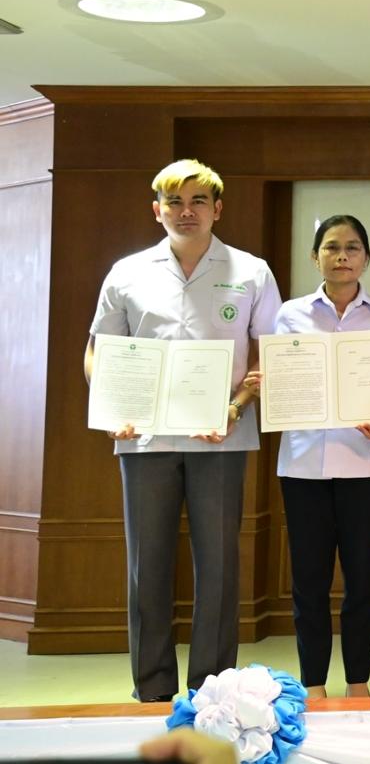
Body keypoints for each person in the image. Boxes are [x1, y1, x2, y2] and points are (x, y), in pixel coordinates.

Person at [86, 159, 281, 702]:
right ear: (157, 210)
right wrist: (112, 408)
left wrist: (236, 407)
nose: (186, 211)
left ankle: (213, 691)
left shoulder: (252, 272)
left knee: (218, 565)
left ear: (218, 209)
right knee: (147, 565)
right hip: (144, 438)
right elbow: (99, 351)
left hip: (222, 436)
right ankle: (151, 689)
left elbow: (268, 354)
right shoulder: (127, 272)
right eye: (175, 202)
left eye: (198, 201)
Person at [271, 214, 370, 699]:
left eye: (352, 247)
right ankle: (313, 683)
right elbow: (281, 381)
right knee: (308, 583)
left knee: (362, 581)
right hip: (303, 466)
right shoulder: (289, 315)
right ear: (316, 257)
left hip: (367, 466)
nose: (342, 256)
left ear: (366, 258)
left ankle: (358, 682)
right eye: (332, 247)